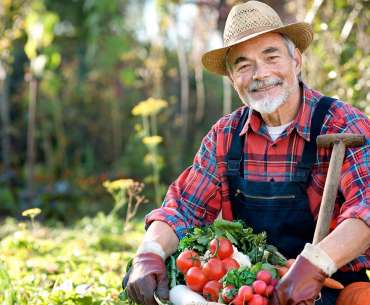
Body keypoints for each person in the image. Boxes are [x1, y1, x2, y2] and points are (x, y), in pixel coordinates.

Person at [123, 1, 370, 305]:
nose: (260, 73)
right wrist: (149, 253)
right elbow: (185, 207)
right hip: (252, 290)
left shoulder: (344, 124)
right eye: (244, 65)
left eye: (271, 56)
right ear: (232, 79)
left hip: (331, 284)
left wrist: (316, 264)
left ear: (297, 62)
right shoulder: (226, 135)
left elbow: (367, 208)